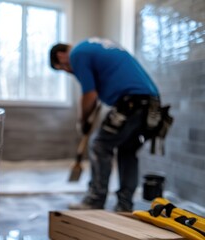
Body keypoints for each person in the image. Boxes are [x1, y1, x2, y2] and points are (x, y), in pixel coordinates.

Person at [49, 37, 161, 212]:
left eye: (62, 67)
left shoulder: (77, 54)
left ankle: (94, 200)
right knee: (127, 150)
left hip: (131, 101)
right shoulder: (93, 46)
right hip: (151, 104)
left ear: (62, 55)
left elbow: (89, 96)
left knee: (100, 145)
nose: (67, 71)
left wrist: (82, 121)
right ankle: (124, 205)